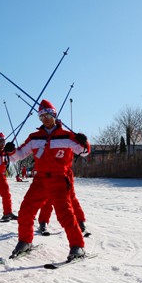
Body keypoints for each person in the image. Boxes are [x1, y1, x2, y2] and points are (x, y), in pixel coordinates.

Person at [6, 99, 90, 261]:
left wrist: (84, 141)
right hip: (40, 180)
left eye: (47, 115)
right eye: (41, 116)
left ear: (54, 114)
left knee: (64, 213)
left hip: (59, 178)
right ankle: (25, 241)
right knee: (26, 211)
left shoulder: (66, 135)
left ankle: (77, 245)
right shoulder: (35, 137)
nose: (44, 118)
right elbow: (18, 156)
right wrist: (10, 151)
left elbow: (84, 152)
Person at [37, 168, 87, 235]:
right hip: (50, 172)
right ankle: (43, 223)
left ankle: (80, 222)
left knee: (71, 197)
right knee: (48, 198)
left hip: (65, 172)